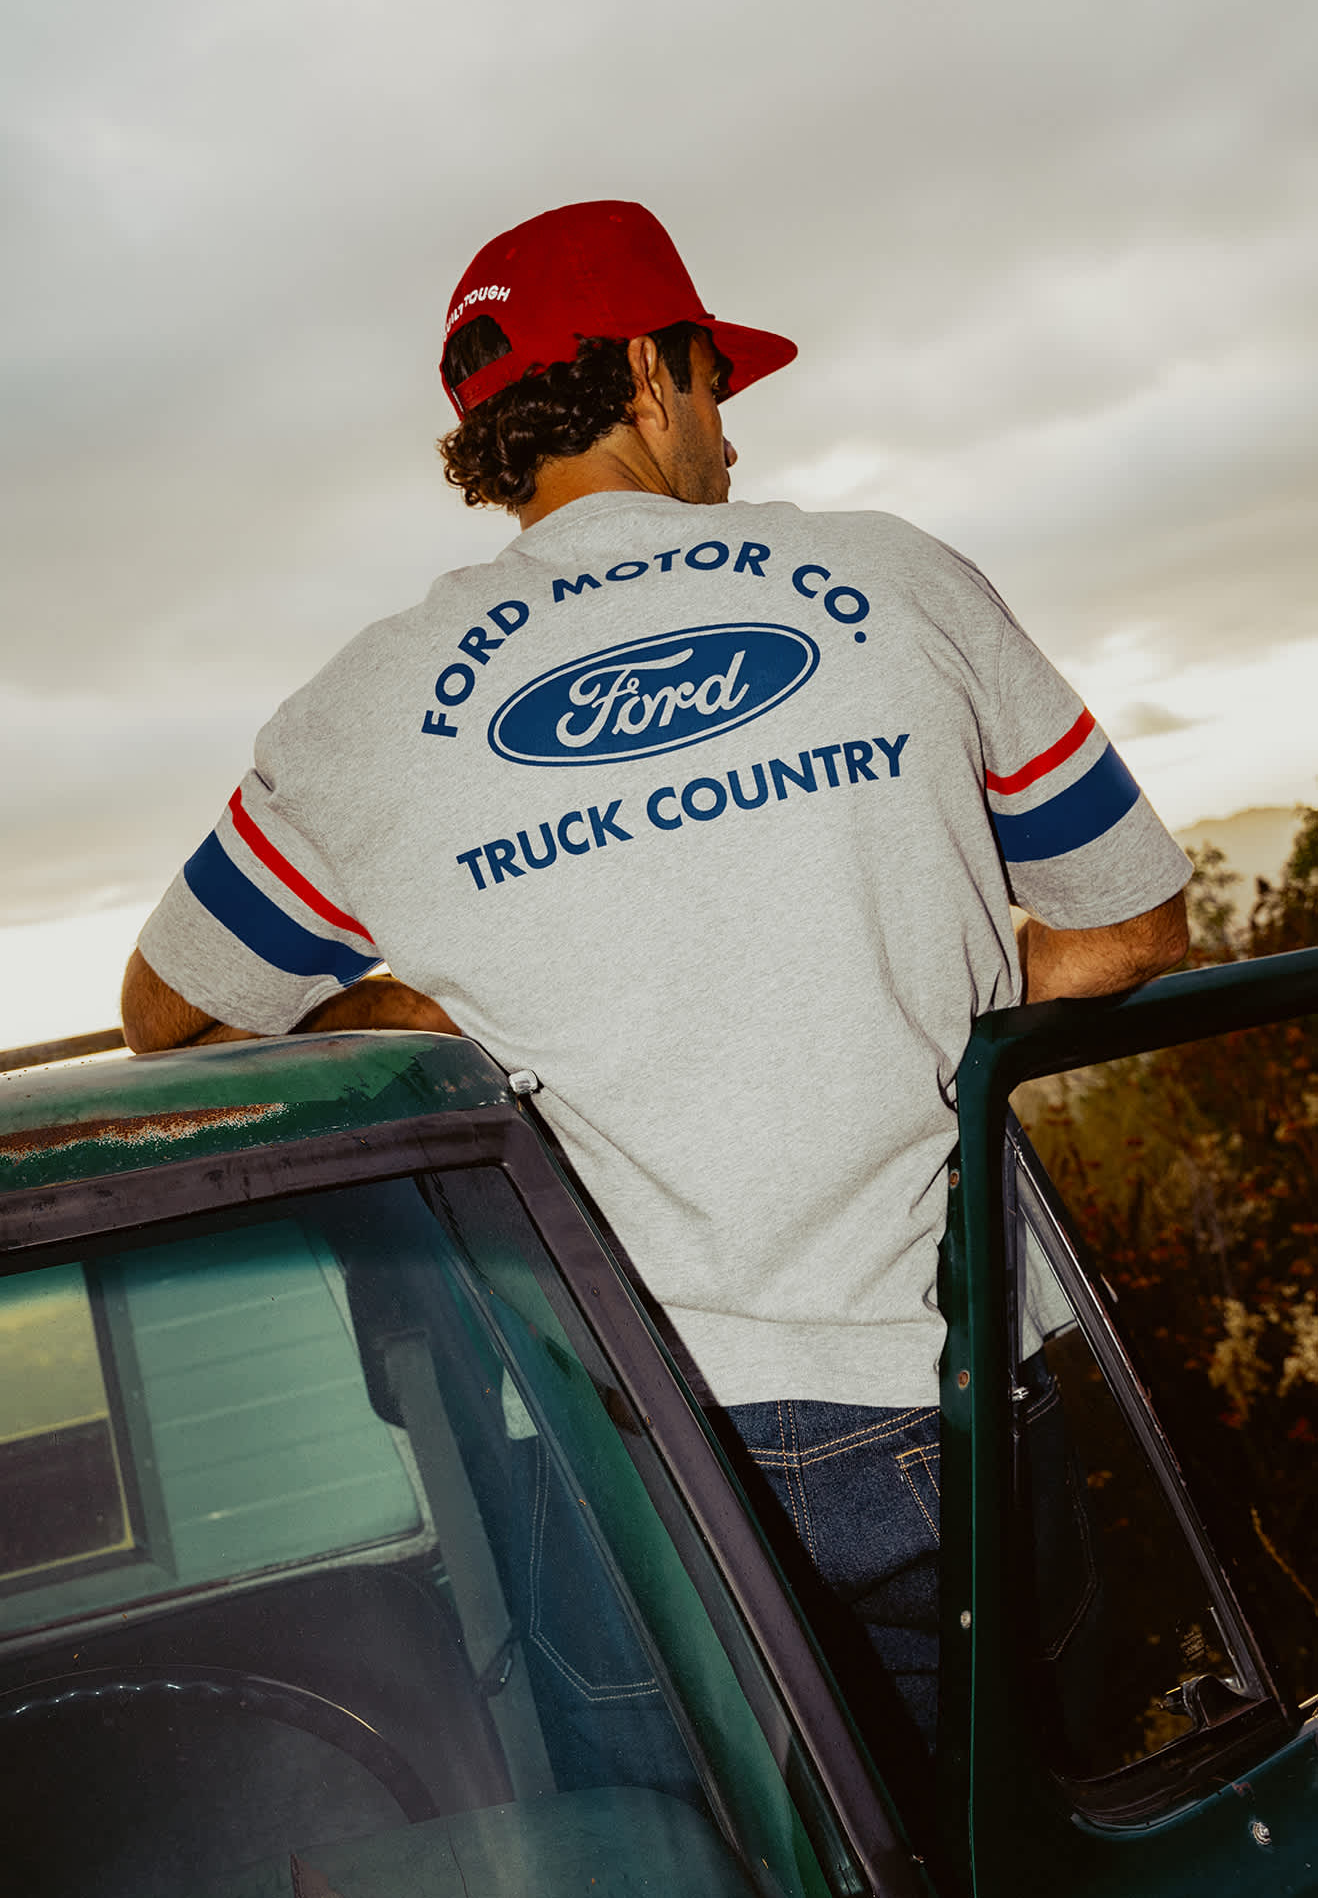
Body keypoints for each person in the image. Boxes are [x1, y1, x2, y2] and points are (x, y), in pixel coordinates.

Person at [122, 199, 1190, 1754]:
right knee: (1022, 1816)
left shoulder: (353, 712)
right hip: (933, 1388)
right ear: (644, 371)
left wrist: (394, 1011)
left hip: (608, 1440)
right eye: (712, 382)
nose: (728, 433)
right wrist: (920, 954)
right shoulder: (892, 580)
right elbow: (1131, 927)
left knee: (710, 1841)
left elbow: (174, 1020)